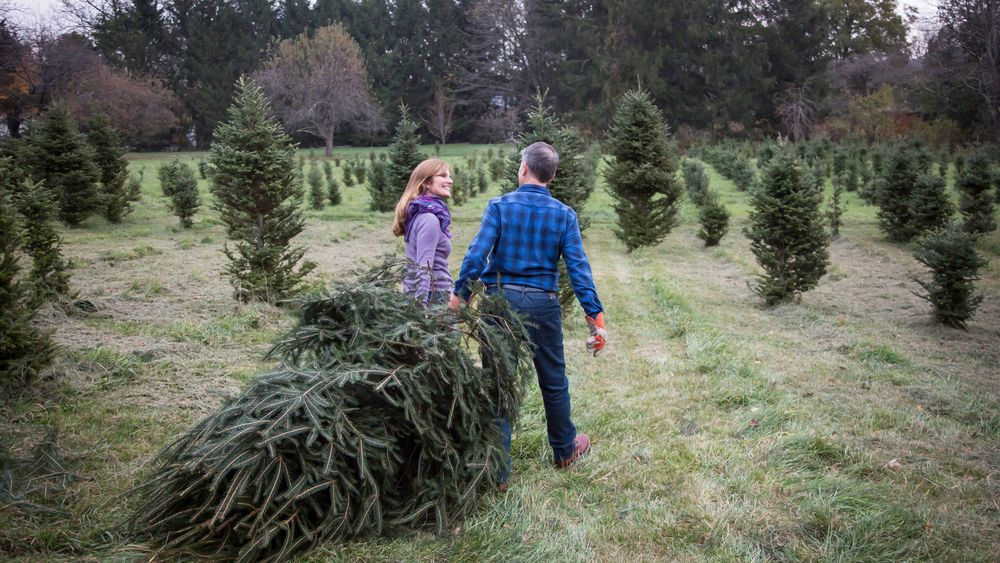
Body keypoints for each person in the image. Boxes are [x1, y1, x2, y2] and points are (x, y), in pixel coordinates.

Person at [451, 141, 608, 487]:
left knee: (498, 382)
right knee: (553, 381)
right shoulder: (564, 214)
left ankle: (498, 471)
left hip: (500, 304)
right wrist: (595, 317)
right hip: (543, 304)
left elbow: (476, 256)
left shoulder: (500, 207)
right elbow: (579, 269)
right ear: (550, 177)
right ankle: (565, 450)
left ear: (523, 169)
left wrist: (459, 297)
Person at [392, 159, 454, 305]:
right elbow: (424, 267)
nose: (450, 180)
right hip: (434, 297)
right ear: (427, 183)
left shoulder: (420, 214)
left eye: (449, 176)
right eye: (443, 175)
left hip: (428, 294)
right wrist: (421, 305)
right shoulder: (429, 219)